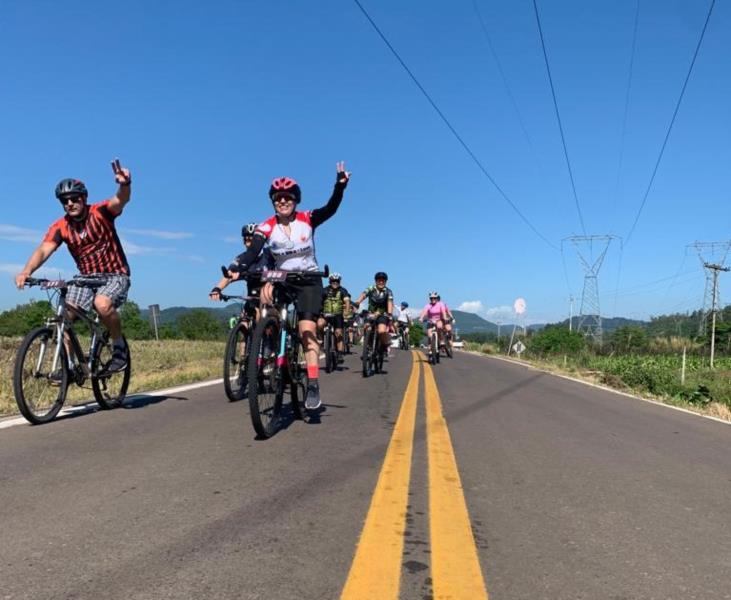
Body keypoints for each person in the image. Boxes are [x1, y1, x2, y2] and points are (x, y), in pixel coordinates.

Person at [226, 162, 351, 410]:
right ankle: (269, 345)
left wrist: (339, 187)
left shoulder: (307, 219)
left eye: (287, 198)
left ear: (295, 200)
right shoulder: (267, 226)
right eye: (278, 198)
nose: (282, 201)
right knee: (266, 304)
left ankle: (313, 382)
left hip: (308, 278)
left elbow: (331, 208)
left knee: (306, 329)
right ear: (273, 201)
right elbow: (254, 250)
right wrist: (238, 265)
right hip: (281, 277)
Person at [15, 159, 133, 373]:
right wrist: (27, 271)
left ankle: (118, 347)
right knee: (63, 318)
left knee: (102, 304)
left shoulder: (100, 212)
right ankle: (69, 366)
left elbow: (120, 200)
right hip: (85, 278)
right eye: (64, 201)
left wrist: (124, 184)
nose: (69, 203)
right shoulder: (61, 226)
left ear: (84, 198)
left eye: (74, 199)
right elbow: (44, 249)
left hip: (115, 275)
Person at [210, 223, 274, 322]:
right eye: (245, 237)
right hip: (252, 298)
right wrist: (217, 288)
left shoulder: (269, 254)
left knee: (262, 316)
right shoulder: (241, 258)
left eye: (251, 237)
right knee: (244, 321)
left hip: (270, 296)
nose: (248, 239)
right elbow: (229, 275)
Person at [352, 272, 394, 356]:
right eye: (379, 280)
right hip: (371, 313)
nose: (381, 282)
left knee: (381, 331)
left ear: (385, 282)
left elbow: (390, 302)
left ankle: (384, 346)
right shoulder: (371, 288)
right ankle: (368, 345)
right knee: (367, 327)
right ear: (376, 281)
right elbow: (363, 295)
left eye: (383, 280)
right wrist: (357, 302)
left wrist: (389, 314)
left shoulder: (388, 291)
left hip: (383, 314)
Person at [318, 272, 351, 362]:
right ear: (330, 281)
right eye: (333, 281)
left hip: (338, 315)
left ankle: (339, 353)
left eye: (337, 281)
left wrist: (346, 314)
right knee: (320, 324)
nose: (335, 283)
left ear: (339, 281)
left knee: (338, 333)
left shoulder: (343, 291)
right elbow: (319, 301)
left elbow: (347, 302)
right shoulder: (324, 290)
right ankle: (321, 340)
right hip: (325, 314)